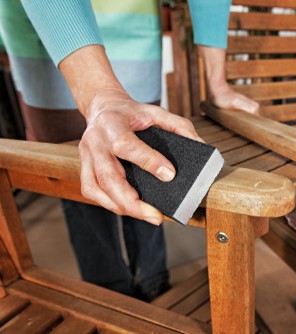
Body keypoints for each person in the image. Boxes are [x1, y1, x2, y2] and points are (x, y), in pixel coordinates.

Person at [0, 0, 258, 301]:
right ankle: (111, 295)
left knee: (148, 171)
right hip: (51, 34)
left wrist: (218, 82)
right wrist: (100, 96)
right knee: (88, 184)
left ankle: (154, 282)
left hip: (133, 33)